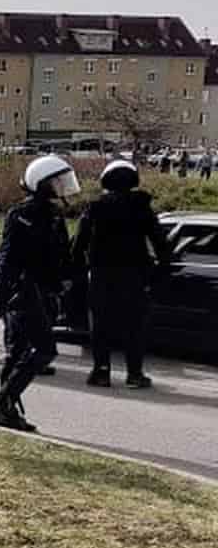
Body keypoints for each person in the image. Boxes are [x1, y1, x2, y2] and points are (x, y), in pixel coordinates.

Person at [0, 155, 79, 431]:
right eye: (56, 182)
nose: (61, 187)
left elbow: (62, 254)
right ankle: (3, 402)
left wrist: (65, 280)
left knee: (18, 353)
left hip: (43, 292)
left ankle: (5, 408)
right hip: (23, 291)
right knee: (43, 349)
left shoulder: (53, 215)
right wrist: (1, 293)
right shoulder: (22, 214)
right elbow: (8, 258)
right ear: (40, 183)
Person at [73, 159, 172, 389]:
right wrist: (159, 271)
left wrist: (79, 269)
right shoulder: (142, 207)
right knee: (134, 326)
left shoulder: (95, 208)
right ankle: (134, 374)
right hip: (134, 276)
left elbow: (79, 244)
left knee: (100, 325)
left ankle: (101, 371)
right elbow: (160, 242)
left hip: (101, 274)